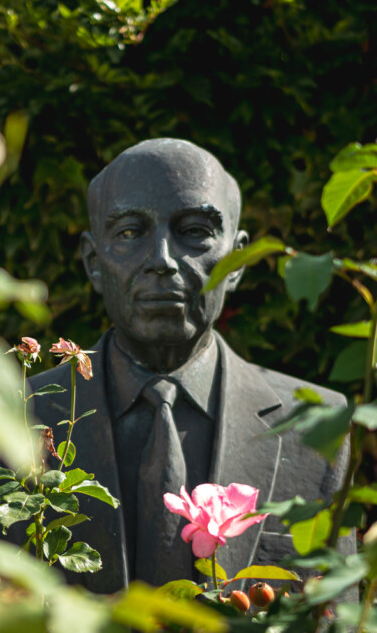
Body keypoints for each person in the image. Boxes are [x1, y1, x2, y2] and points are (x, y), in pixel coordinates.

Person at [25, 138, 350, 594]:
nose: (161, 260)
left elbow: (338, 615)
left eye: (195, 230)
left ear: (236, 261)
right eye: (129, 233)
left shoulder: (315, 428)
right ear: (93, 263)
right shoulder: (18, 414)